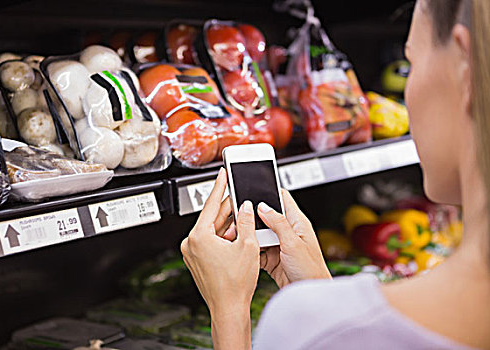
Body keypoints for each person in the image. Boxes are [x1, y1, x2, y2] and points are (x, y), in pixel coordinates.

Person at [180, 0, 490, 348]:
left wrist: (229, 312)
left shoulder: (306, 325)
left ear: (466, 69)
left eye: (413, 61)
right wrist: (318, 295)